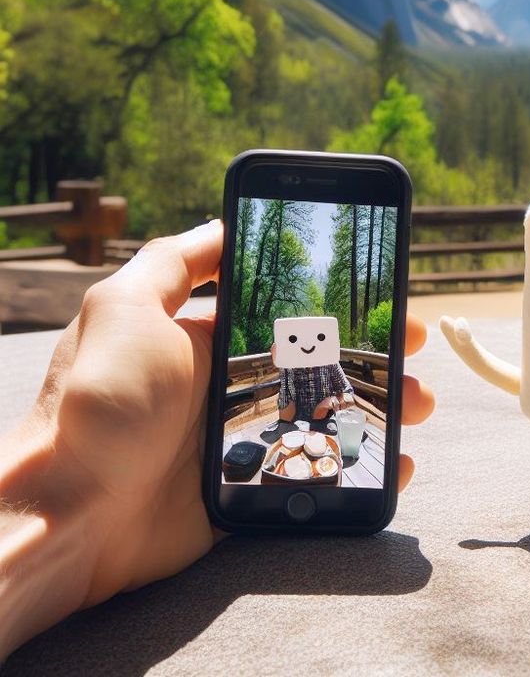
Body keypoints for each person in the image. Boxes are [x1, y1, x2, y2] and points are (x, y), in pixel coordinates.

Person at [0, 221, 435, 658]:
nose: (309, 347)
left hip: (323, 424)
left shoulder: (330, 366)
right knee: (287, 439)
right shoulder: (288, 369)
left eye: (319, 338)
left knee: (328, 434)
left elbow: (343, 388)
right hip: (290, 430)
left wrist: (61, 505)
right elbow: (284, 402)